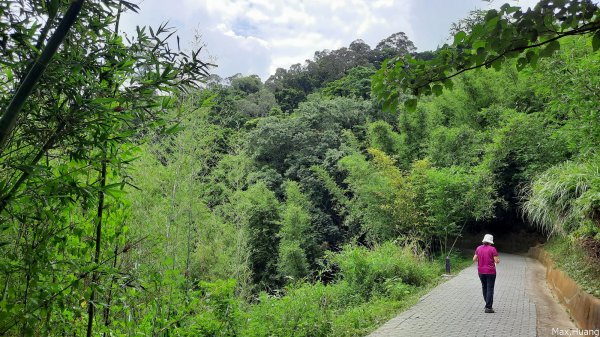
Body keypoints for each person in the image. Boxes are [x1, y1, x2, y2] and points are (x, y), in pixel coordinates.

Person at [473, 234, 500, 313]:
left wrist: (481, 261)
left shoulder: (478, 248)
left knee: (484, 287)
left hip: (481, 271)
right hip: (490, 272)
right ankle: (488, 307)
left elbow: (474, 259)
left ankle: (487, 304)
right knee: (490, 288)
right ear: (490, 242)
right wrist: (497, 260)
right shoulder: (492, 249)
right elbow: (497, 261)